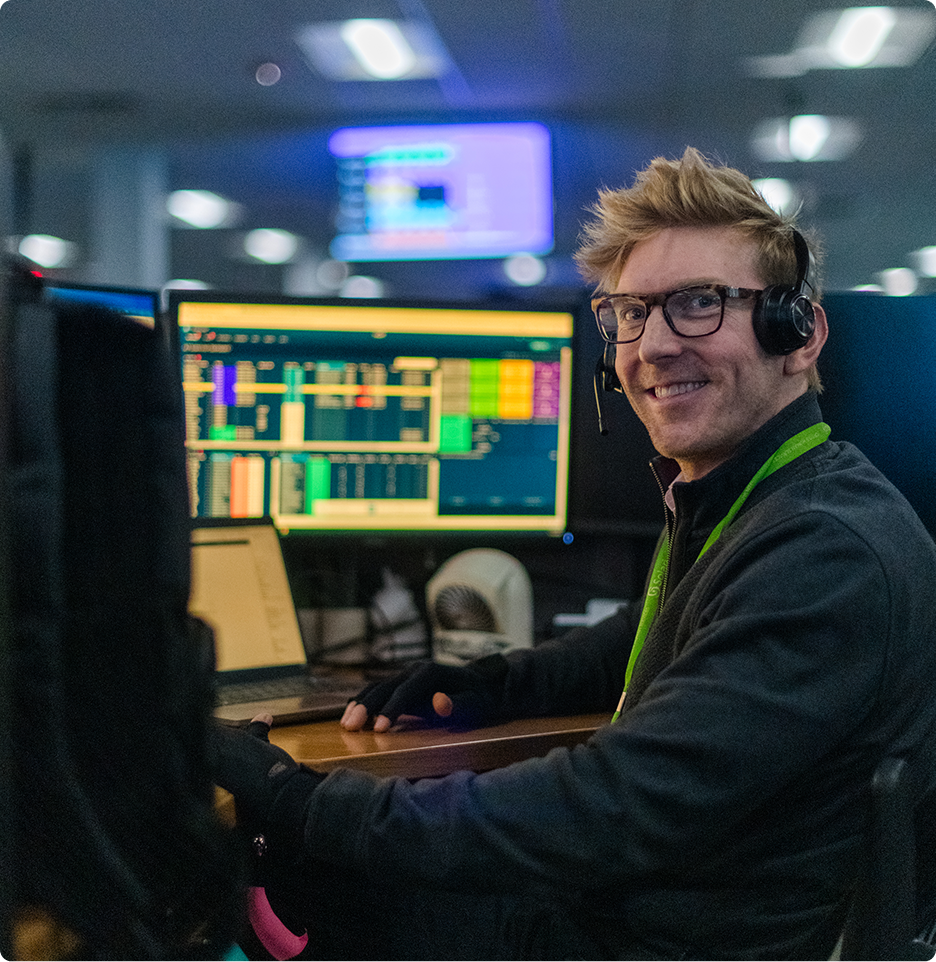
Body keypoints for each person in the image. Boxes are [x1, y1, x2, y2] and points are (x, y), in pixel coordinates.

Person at [212, 148, 936, 962]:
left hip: (650, 941)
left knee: (299, 879)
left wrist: (299, 799)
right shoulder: (765, 500)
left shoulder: (825, 552)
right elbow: (656, 630)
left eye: (699, 303)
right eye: (631, 312)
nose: (653, 345)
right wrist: (494, 683)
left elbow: (607, 802)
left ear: (797, 334)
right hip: (643, 908)